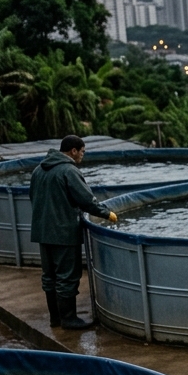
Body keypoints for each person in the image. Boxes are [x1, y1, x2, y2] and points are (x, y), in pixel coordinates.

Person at [29, 136, 116, 330]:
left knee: (49, 276)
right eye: (83, 152)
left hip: (43, 232)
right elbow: (86, 200)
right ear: (74, 151)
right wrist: (107, 213)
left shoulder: (38, 170)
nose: (83, 156)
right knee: (67, 276)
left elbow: (32, 197)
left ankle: (55, 318)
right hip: (64, 233)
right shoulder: (69, 171)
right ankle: (69, 318)